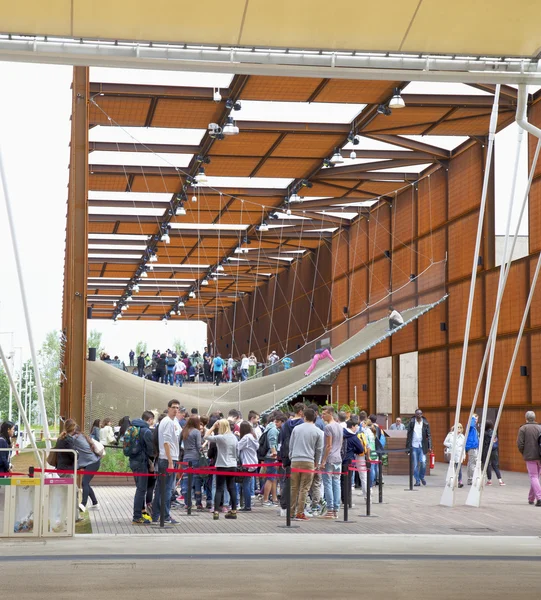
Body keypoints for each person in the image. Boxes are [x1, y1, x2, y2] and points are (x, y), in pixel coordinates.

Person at [289, 408, 323, 521]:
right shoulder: (318, 431)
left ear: (304, 417)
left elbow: (291, 444)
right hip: (308, 461)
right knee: (304, 488)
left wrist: (291, 456)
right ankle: (300, 512)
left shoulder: (296, 429)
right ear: (315, 418)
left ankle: (291, 511)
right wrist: (316, 463)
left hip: (295, 459)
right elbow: (319, 449)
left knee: (294, 487)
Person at [151, 399, 181, 524]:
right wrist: (170, 461)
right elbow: (166, 442)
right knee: (167, 489)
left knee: (160, 489)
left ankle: (157, 514)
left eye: (177, 408)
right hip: (168, 458)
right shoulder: (168, 422)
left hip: (167, 457)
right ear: (168, 408)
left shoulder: (171, 421)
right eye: (173, 407)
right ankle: (165, 515)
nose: (175, 410)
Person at [204, 418, 239, 520]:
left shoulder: (220, 437)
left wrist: (213, 427)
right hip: (232, 465)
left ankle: (216, 511)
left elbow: (206, 436)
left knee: (219, 488)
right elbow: (237, 452)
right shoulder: (234, 437)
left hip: (221, 465)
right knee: (231, 487)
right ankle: (233, 510)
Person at [278, 403, 305, 517]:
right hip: (300, 455)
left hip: (287, 456)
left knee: (287, 482)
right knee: (301, 484)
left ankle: (284, 506)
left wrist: (283, 458)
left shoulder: (286, 425)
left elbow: (282, 440)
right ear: (300, 411)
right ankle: (298, 508)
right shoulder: (302, 424)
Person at [128, 411, 156, 525]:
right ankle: (137, 516)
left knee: (139, 488)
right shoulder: (146, 431)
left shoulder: (134, 427)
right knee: (141, 490)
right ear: (149, 419)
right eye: (152, 420)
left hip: (133, 461)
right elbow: (150, 450)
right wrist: (153, 460)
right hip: (141, 462)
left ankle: (139, 514)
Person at [320, 406, 343, 519]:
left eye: (324, 414)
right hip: (338, 457)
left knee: (328, 483)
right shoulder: (339, 426)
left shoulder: (328, 427)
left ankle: (330, 509)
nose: (322, 416)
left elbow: (328, 446)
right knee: (336, 483)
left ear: (330, 414)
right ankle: (336, 509)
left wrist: (323, 461)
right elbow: (340, 443)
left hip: (330, 458)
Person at [74, 424, 102, 512]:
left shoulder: (76, 438)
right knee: (86, 483)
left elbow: (65, 440)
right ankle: (95, 503)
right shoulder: (82, 436)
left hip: (92, 463)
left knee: (84, 482)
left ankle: (83, 504)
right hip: (94, 462)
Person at [517, 411, 541, 506]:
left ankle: (539, 498)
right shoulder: (540, 427)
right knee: (535, 477)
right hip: (540, 455)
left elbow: (520, 443)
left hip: (530, 455)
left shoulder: (523, 428)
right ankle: (531, 498)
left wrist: (524, 452)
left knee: (533, 477)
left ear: (526, 418)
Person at [181, 416, 203, 509]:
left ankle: (187, 502)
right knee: (196, 480)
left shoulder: (184, 431)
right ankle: (198, 502)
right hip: (195, 457)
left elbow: (179, 444)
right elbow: (198, 445)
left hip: (186, 458)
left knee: (186, 480)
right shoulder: (196, 432)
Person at [406, 409, 432, 487]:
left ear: (422, 414)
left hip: (422, 446)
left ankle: (421, 477)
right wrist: (408, 447)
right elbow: (408, 436)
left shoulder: (425, 423)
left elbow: (429, 436)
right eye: (417, 414)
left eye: (420, 414)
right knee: (415, 465)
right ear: (415, 414)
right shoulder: (411, 422)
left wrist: (429, 446)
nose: (419, 415)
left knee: (423, 462)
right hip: (414, 446)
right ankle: (417, 481)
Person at [238, 421, 259, 511]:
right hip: (253, 462)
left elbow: (237, 447)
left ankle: (247, 505)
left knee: (245, 484)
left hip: (247, 463)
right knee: (247, 483)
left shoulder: (246, 438)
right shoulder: (252, 436)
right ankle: (247, 504)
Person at [261, 412, 280, 506]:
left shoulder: (268, 428)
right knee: (270, 478)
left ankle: (274, 498)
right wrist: (274, 453)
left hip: (269, 455)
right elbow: (272, 442)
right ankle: (265, 500)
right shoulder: (273, 429)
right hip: (271, 456)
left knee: (272, 478)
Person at [482, 420, 505, 486]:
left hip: (487, 450)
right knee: (495, 465)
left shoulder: (485, 433)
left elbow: (484, 443)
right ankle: (500, 481)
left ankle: (489, 481)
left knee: (488, 465)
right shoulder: (494, 432)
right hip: (494, 450)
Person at [443, 424, 465, 488]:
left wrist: (464, 454)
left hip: (459, 453)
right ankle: (451, 480)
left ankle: (459, 481)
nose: (459, 429)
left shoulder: (462, 436)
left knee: (459, 468)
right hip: (452, 452)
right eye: (458, 427)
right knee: (452, 467)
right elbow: (445, 442)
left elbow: (463, 446)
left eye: (460, 428)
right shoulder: (450, 435)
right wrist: (451, 444)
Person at [465, 414, 479, 485]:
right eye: (475, 419)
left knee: (471, 463)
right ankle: (472, 478)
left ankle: (470, 478)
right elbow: (470, 425)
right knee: (472, 463)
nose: (476, 421)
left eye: (477, 419)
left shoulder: (474, 428)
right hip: (472, 446)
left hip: (473, 446)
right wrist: (473, 418)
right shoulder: (471, 427)